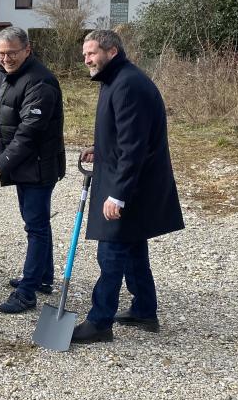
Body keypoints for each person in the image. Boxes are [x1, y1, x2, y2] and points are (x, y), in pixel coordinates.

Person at [72, 29, 184, 343]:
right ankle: (144, 311)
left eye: (91, 53)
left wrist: (117, 195)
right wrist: (101, 147)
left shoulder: (127, 85)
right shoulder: (118, 79)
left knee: (111, 254)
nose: (87, 60)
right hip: (133, 182)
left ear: (112, 51)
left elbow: (134, 146)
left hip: (131, 187)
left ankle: (99, 322)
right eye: (85, 55)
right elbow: (123, 133)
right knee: (134, 249)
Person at [0, 27, 66, 314]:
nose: (5, 58)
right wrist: (2, 154)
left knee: (35, 227)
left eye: (12, 53)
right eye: (1, 53)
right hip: (23, 164)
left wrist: (1, 163)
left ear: (27, 50)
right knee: (38, 223)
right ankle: (43, 278)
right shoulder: (7, 74)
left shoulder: (40, 82)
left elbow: (28, 134)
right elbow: (6, 121)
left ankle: (27, 292)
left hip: (37, 166)